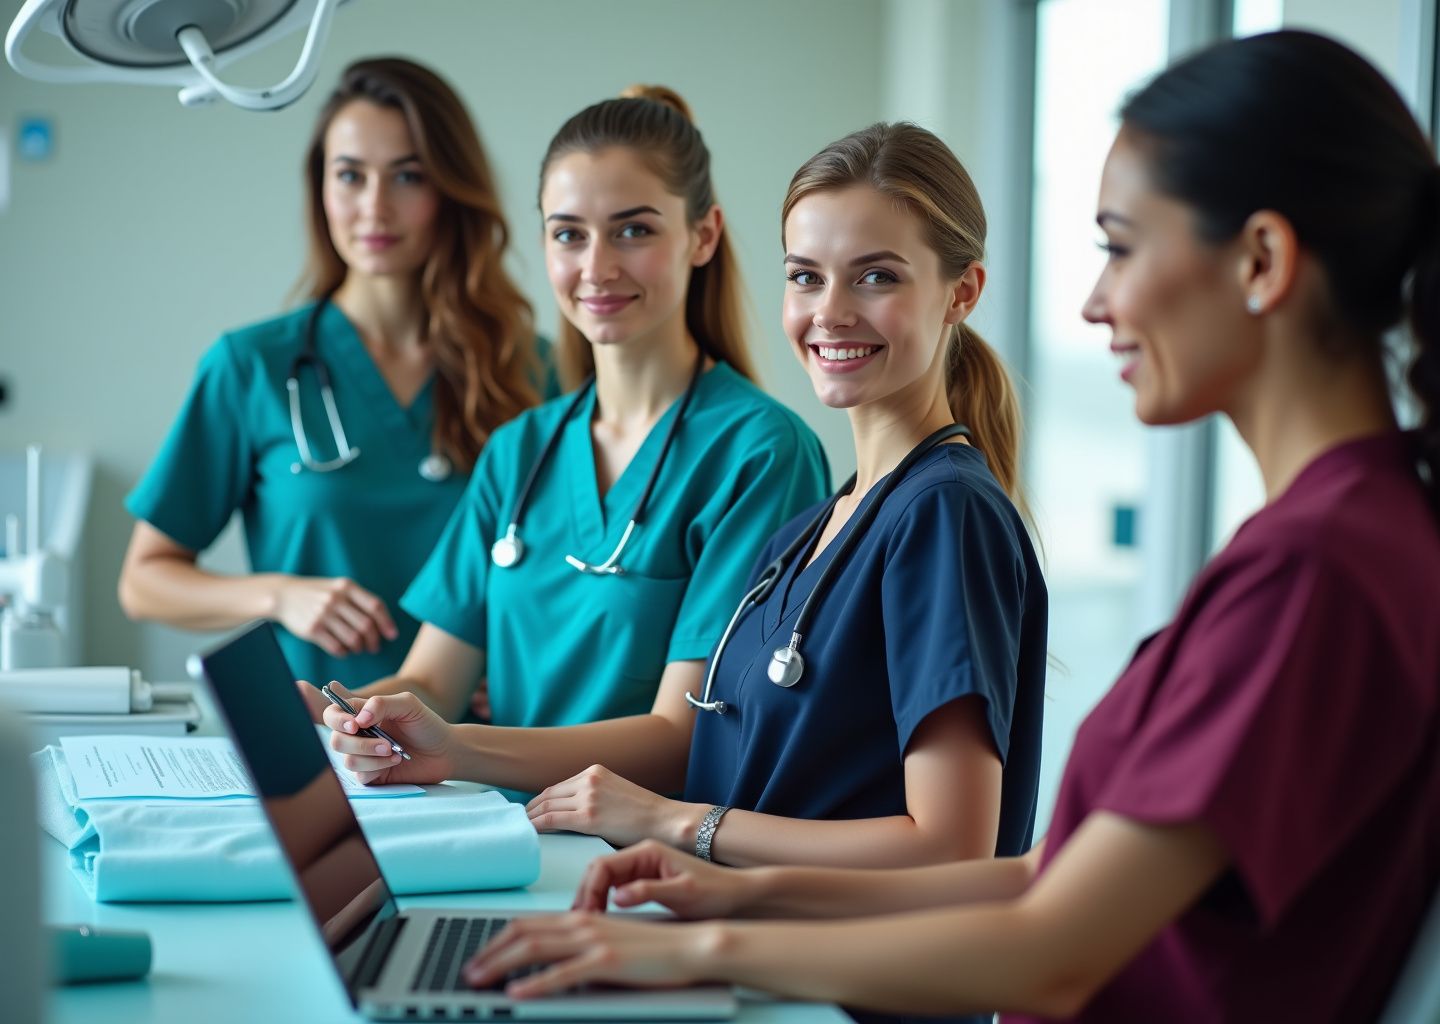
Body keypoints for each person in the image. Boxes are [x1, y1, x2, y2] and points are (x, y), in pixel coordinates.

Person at [452, 31, 1440, 1024]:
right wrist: (733, 891)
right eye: (805, 275)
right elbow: (1043, 876)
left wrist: (705, 928)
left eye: (1121, 247)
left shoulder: (1321, 569)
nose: (1095, 303)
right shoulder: (1334, 539)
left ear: (1263, 260)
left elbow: (1048, 946)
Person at [323, 122, 1047, 888]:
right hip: (721, 918)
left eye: (876, 277)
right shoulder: (818, 529)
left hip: (837, 982)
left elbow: (952, 848)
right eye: (805, 276)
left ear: (961, 292)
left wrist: (669, 821)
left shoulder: (941, 511)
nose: (830, 311)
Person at [318, 85, 830, 764]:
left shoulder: (760, 453)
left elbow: (687, 735)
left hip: (643, 856)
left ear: (703, 235)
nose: (597, 268)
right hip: (504, 834)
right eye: (569, 234)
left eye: (634, 230)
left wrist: (461, 751)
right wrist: (346, 712)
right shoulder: (519, 452)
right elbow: (435, 680)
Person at [119, 58, 543, 688]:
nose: (375, 207)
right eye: (350, 175)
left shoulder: (531, 368)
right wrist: (279, 595)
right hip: (323, 747)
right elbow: (144, 581)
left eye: (408, 176)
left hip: (489, 755)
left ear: (452, 191)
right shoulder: (251, 367)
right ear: (321, 189)